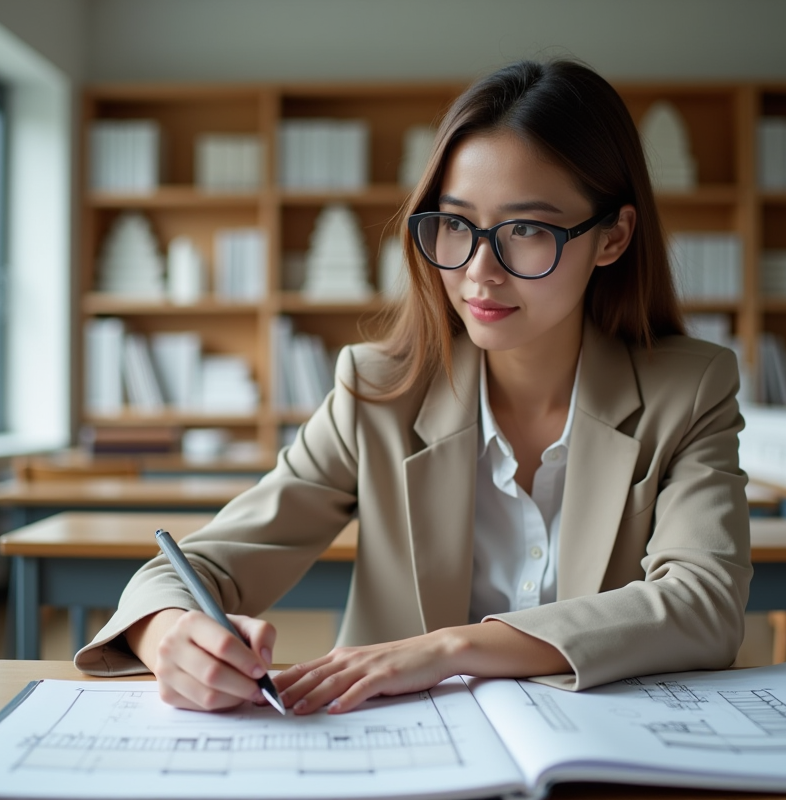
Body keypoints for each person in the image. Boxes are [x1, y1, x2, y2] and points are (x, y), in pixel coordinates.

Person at [75, 58, 751, 715]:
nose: (480, 272)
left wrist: (451, 648)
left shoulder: (688, 391)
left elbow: (704, 603)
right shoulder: (377, 394)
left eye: (526, 230)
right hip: (398, 765)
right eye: (457, 224)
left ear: (613, 237)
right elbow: (197, 566)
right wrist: (167, 635)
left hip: (598, 759)